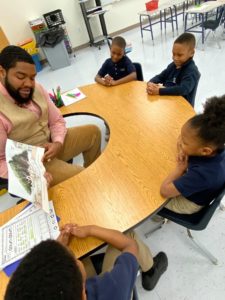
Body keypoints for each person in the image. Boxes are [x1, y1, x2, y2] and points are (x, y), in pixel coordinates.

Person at [0, 46, 101, 186]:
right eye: (21, 77)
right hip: (33, 163)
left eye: (32, 77)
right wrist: (31, 174)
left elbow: (57, 121)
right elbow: (2, 160)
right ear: (2, 72)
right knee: (82, 178)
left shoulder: (37, 88)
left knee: (93, 132)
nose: (29, 84)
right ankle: (86, 185)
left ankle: (93, 179)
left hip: (51, 145)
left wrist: (58, 143)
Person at [5, 223, 168, 300]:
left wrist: (57, 249)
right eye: (72, 258)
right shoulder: (113, 289)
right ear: (83, 292)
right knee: (129, 234)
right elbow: (129, 245)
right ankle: (151, 271)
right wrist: (91, 229)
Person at [160, 95, 225, 214]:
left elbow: (165, 191)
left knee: (150, 191)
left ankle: (157, 216)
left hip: (187, 204)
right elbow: (181, 137)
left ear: (205, 151)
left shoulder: (202, 175)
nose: (180, 141)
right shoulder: (216, 147)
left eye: (185, 143)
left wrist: (180, 168)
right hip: (195, 186)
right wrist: (184, 148)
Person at [147, 33, 200, 106]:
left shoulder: (192, 71)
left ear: (191, 53)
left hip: (183, 109)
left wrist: (159, 91)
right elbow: (160, 76)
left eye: (179, 55)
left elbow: (183, 89)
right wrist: (151, 82)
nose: (175, 58)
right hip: (168, 103)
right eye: (173, 54)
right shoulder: (172, 65)